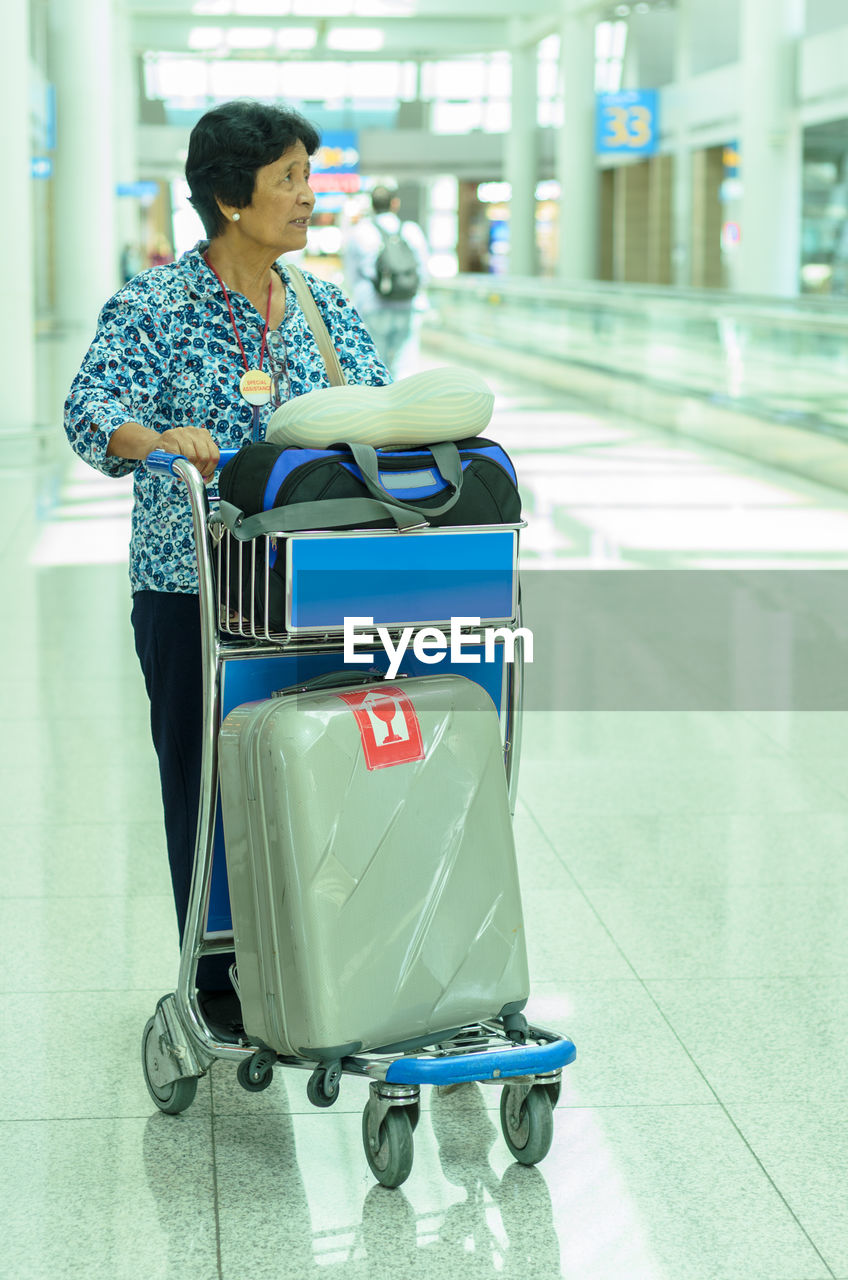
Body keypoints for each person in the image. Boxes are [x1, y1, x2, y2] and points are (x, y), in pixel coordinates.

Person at [64, 100, 390, 1038]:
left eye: (307, 175)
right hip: (194, 589)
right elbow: (93, 410)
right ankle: (218, 980)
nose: (306, 194)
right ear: (229, 197)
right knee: (207, 785)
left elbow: (369, 408)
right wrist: (160, 439)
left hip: (320, 584)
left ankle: (332, 958)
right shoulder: (155, 303)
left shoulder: (324, 304)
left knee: (326, 771)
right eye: (288, 177)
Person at [344, 184, 429, 377]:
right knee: (405, 364)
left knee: (375, 363)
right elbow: (423, 270)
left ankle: (382, 404)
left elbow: (352, 276)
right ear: (395, 204)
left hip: (373, 306)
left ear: (373, 206)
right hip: (408, 305)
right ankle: (404, 405)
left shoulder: (359, 232)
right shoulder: (411, 230)